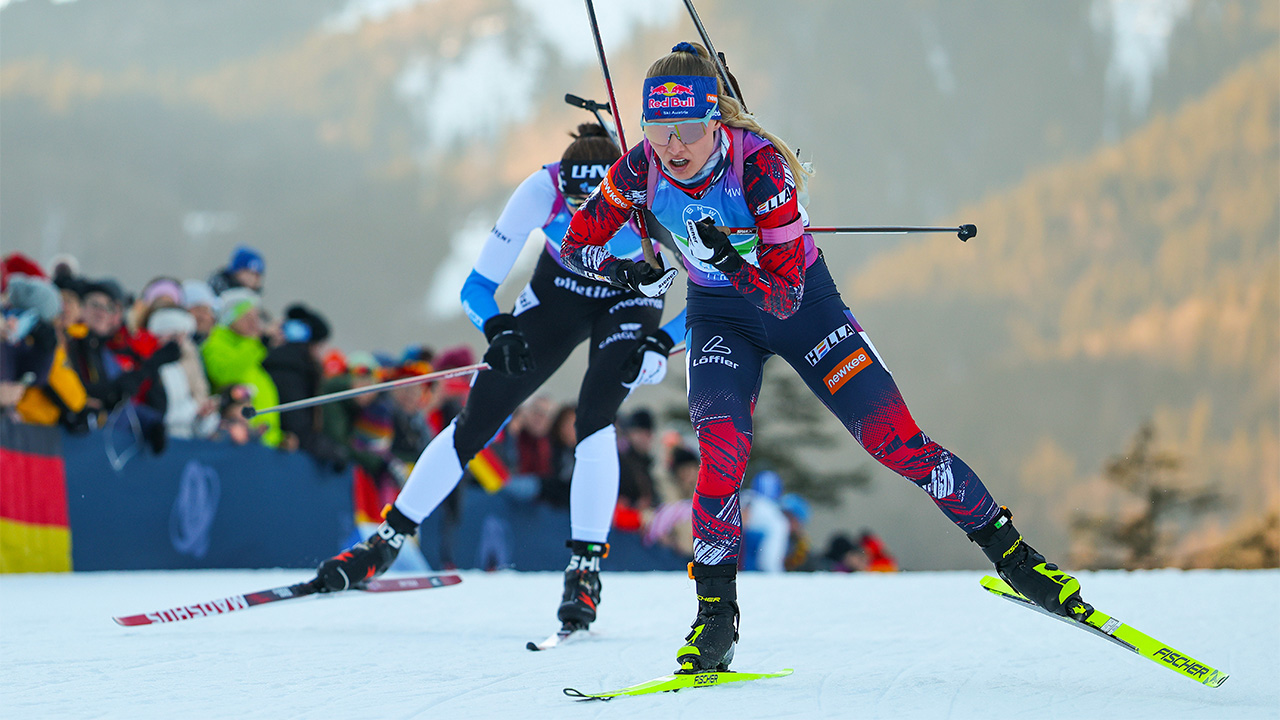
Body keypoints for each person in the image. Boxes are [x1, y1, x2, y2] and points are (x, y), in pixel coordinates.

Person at [559, 42, 1088, 673]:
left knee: (897, 443)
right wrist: (626, 271)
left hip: (804, 310)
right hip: (721, 317)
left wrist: (730, 259)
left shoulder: (760, 170)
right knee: (721, 449)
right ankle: (714, 618)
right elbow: (575, 246)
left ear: (717, 123)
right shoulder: (640, 169)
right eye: (659, 130)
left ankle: (1015, 556)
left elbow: (783, 295)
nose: (673, 149)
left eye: (689, 132)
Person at [312, 121, 668, 636]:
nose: (586, 219)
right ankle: (386, 541)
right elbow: (478, 286)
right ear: (561, 189)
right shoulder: (540, 190)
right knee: (477, 418)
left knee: (595, 418)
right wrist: (499, 328)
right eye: (574, 208)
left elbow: (715, 288)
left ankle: (585, 570)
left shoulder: (654, 189)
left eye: (600, 208)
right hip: (560, 290)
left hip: (630, 298)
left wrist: (662, 341)